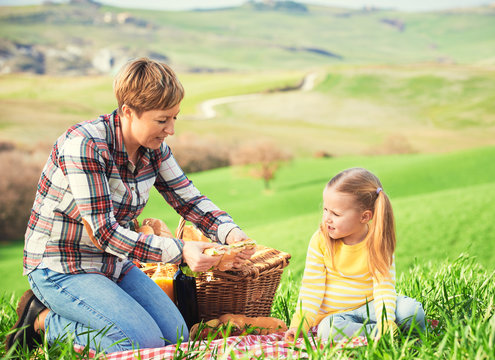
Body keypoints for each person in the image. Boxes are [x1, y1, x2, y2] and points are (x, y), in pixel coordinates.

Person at [6, 57, 254, 354]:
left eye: (175, 118)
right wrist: (181, 252)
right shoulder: (85, 145)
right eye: (162, 120)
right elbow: (103, 233)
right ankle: (43, 320)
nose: (170, 129)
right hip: (61, 266)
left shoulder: (154, 150)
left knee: (176, 339)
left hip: (112, 263)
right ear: (127, 112)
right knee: (140, 345)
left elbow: (190, 200)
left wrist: (229, 233)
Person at [284, 167, 425, 342]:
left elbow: (384, 287)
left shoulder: (378, 241)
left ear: (364, 217)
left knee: (411, 311)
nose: (327, 218)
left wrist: (386, 321)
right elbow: (311, 288)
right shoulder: (320, 240)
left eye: (335, 213)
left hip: (373, 307)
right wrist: (300, 325)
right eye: (325, 210)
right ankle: (389, 336)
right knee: (328, 331)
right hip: (336, 317)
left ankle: (388, 332)